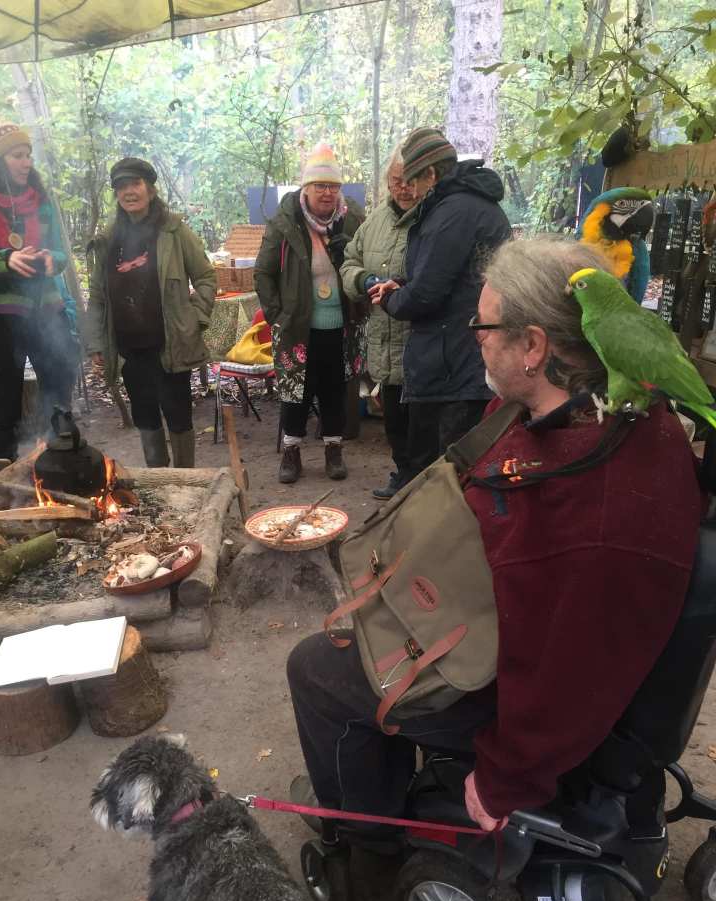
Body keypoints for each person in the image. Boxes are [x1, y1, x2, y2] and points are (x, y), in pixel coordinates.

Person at [287, 236, 703, 834]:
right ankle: (379, 778)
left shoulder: (605, 515)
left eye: (483, 326)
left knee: (315, 669)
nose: (474, 337)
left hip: (499, 687)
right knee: (359, 630)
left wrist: (506, 779)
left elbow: (573, 677)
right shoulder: (562, 405)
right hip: (470, 611)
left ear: (533, 345)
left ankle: (364, 836)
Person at [370, 127, 511, 484]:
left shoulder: (453, 213)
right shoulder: (468, 206)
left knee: (444, 474)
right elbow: (450, 277)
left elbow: (427, 295)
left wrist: (390, 298)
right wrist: (402, 284)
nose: (411, 191)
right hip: (464, 354)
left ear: (431, 174)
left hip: (454, 364)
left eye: (413, 181)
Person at [0, 112, 78, 475]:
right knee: (4, 404)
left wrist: (52, 260)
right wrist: (5, 259)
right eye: (17, 155)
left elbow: (60, 252)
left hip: (46, 309)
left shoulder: (40, 199)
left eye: (28, 154)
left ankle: (62, 469)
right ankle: (2, 479)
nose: (26, 162)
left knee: (59, 392)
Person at [86, 158, 215, 468]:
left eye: (136, 183)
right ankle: (157, 477)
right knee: (145, 416)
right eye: (121, 186)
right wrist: (96, 343)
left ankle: (184, 480)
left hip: (170, 345)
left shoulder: (173, 230)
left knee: (178, 415)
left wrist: (194, 318)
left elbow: (206, 277)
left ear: (151, 189)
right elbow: (98, 297)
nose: (129, 191)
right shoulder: (108, 240)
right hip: (129, 349)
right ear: (116, 194)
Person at [254, 142, 365, 484]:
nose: (327, 193)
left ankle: (334, 451)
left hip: (341, 324)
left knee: (335, 391)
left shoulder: (352, 219)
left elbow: (365, 263)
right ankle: (291, 453)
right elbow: (263, 272)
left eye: (333, 186)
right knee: (295, 393)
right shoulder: (285, 222)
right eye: (320, 186)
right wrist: (278, 316)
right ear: (306, 188)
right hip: (296, 326)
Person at [340, 144, 420, 499]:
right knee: (394, 422)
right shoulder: (374, 221)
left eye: (410, 181)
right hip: (383, 340)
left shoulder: (434, 219)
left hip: (417, 341)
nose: (403, 188)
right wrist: (364, 281)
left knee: (421, 424)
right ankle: (403, 474)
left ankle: (424, 485)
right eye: (396, 180)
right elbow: (349, 262)